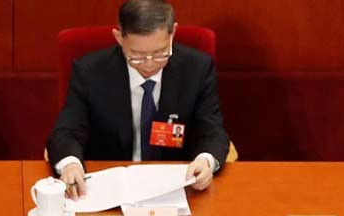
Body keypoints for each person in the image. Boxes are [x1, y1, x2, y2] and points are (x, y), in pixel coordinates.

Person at [47, 0, 230, 198]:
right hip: (108, 190)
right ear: (119, 37)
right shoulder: (89, 72)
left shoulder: (197, 69)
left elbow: (212, 132)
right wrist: (71, 163)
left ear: (173, 33)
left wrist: (206, 161)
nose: (149, 64)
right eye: (136, 55)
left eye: (160, 53)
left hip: (175, 188)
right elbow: (65, 133)